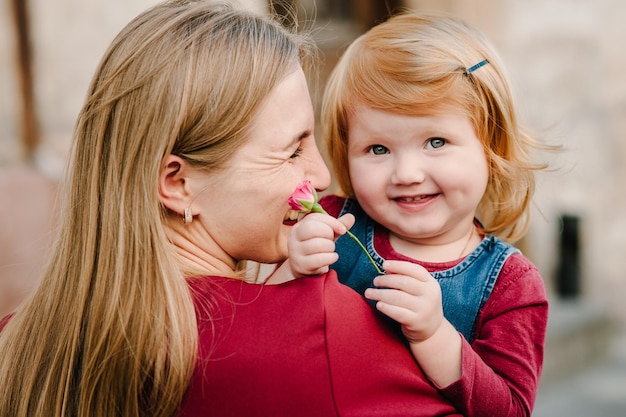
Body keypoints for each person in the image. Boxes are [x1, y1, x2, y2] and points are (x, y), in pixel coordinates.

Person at [0, 1, 465, 416]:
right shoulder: (318, 332)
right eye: (292, 150)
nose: (321, 176)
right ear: (177, 183)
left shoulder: (17, 344)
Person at [317, 11, 554, 417]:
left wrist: (434, 336)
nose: (407, 174)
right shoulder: (332, 226)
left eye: (436, 141)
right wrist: (291, 270)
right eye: (378, 149)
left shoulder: (511, 287)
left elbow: (510, 410)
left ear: (491, 147)